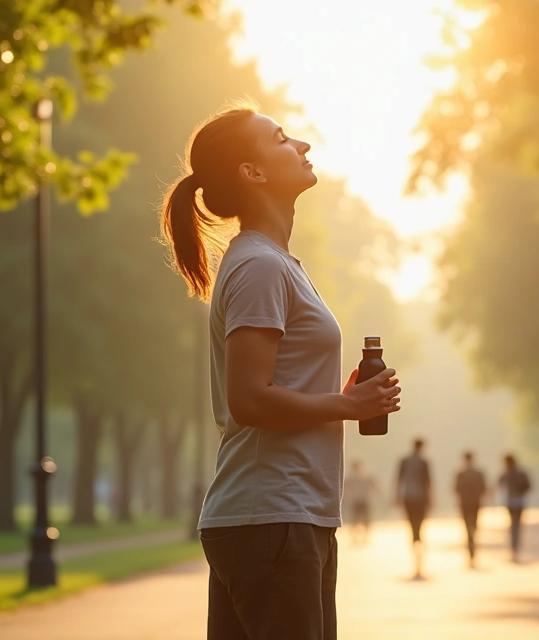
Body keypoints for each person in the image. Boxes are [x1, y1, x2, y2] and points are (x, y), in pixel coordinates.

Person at [160, 99, 402, 640]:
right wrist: (347, 406)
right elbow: (249, 398)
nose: (302, 144)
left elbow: (270, 387)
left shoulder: (272, 263)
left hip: (278, 517)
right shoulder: (259, 266)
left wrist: (337, 397)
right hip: (271, 517)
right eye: (282, 138)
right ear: (253, 172)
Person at [395, 438, 432, 579]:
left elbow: (399, 479)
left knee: (411, 525)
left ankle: (415, 545)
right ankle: (419, 548)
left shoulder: (404, 461)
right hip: (420, 498)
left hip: (408, 497)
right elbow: (428, 482)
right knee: (420, 525)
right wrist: (430, 499)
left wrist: (397, 496)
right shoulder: (424, 462)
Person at [454, 451, 488, 568]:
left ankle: (471, 550)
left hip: (464, 504)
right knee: (473, 527)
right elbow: (484, 489)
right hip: (475, 503)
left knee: (467, 527)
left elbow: (456, 490)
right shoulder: (479, 473)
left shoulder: (460, 474)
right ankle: (472, 549)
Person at [497, 453, 532, 562]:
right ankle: (515, 548)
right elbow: (529, 486)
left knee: (513, 525)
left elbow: (499, 484)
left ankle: (513, 548)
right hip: (519, 502)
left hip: (511, 502)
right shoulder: (521, 473)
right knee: (516, 525)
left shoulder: (507, 473)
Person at [343, 459, 377, 545]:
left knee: (359, 519)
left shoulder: (357, 476)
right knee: (359, 519)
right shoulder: (363, 475)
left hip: (360, 500)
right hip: (360, 500)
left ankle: (360, 537)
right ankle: (359, 537)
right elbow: (374, 484)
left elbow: (373, 483)